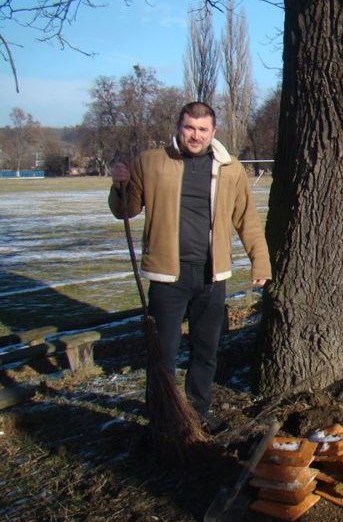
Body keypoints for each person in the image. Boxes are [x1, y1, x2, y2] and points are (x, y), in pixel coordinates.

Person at [109, 101, 271, 434]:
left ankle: (199, 409)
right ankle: (162, 414)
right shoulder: (151, 162)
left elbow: (247, 219)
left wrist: (261, 261)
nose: (195, 136)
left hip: (212, 275)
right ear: (179, 127)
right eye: (189, 128)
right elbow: (127, 209)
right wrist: (119, 185)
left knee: (206, 349)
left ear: (213, 132)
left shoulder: (230, 168)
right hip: (168, 275)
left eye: (202, 129)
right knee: (163, 352)